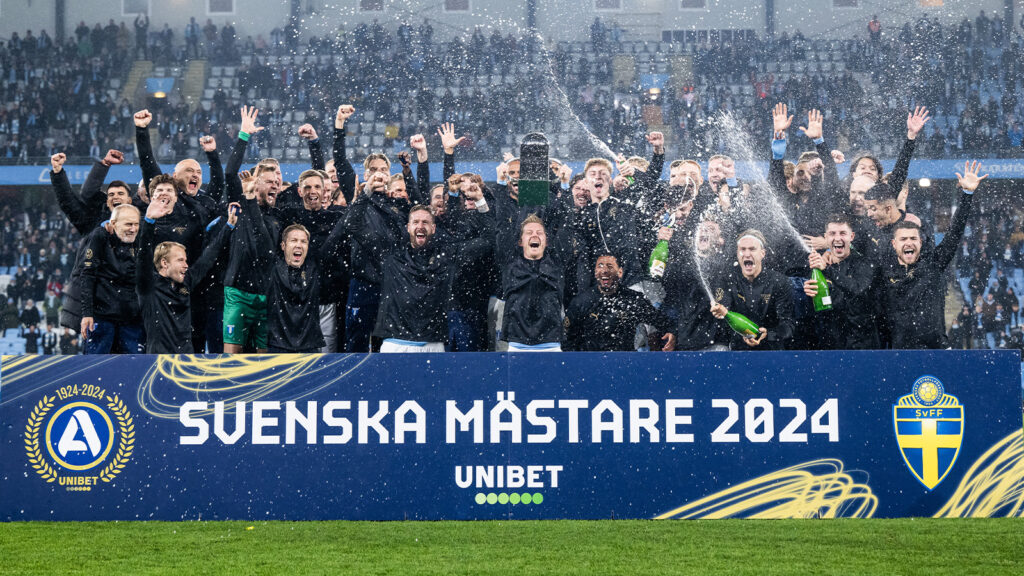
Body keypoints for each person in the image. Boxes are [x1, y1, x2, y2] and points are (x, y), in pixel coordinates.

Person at [349, 169, 492, 352]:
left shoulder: (447, 254)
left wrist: (480, 200)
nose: (420, 226)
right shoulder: (390, 254)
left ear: (433, 228)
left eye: (425, 223)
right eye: (416, 222)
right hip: (395, 344)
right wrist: (367, 191)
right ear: (408, 227)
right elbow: (351, 225)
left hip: (433, 344)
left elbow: (488, 240)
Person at [879, 161, 985, 349]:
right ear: (894, 244)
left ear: (921, 242)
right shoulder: (884, 271)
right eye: (903, 239)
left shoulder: (932, 265)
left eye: (913, 238)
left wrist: (967, 195)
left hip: (935, 352)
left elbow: (954, 233)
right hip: (899, 354)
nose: (909, 242)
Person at [136, 183, 237, 354]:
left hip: (186, 363)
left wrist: (228, 227)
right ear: (164, 263)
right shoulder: (148, 286)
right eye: (180, 260)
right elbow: (144, 253)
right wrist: (149, 221)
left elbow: (207, 258)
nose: (186, 265)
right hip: (158, 363)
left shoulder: (186, 282)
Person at [566, 254, 676, 351]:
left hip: (624, 361)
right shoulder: (582, 301)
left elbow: (662, 321)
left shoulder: (633, 299)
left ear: (620, 272)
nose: (604, 270)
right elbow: (568, 339)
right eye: (600, 266)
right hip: (592, 362)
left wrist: (672, 333)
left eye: (610, 266)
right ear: (595, 272)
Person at [801, 214, 879, 349]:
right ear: (826, 237)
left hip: (861, 344)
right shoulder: (818, 269)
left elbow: (858, 291)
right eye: (832, 234)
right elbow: (817, 311)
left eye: (843, 233)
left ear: (851, 237)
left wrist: (828, 271)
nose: (837, 238)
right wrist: (808, 294)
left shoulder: (865, 264)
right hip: (830, 344)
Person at [710, 230, 795, 350]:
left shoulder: (780, 282)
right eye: (742, 249)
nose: (747, 254)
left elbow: (788, 326)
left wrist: (768, 334)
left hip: (772, 352)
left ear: (762, 253)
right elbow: (723, 309)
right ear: (737, 254)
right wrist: (719, 310)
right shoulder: (727, 279)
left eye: (752, 249)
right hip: (738, 352)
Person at [80, 204, 143, 354]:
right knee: (96, 367)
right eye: (128, 224)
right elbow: (88, 274)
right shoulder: (100, 236)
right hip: (103, 317)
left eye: (136, 224)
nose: (133, 229)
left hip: (132, 318)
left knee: (132, 368)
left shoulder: (141, 238)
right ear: (113, 223)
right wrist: (87, 313)